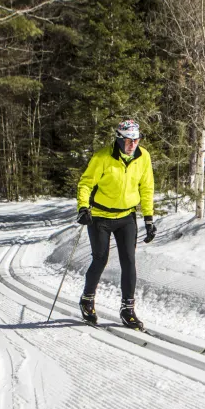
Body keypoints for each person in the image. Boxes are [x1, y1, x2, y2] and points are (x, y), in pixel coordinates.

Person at [76, 119, 157, 331]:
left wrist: (148, 219)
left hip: (126, 217)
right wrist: (83, 207)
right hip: (100, 217)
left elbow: (147, 188)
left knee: (129, 261)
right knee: (100, 259)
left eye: (136, 140)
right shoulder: (103, 156)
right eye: (129, 141)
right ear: (119, 139)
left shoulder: (143, 157)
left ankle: (127, 310)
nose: (133, 145)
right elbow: (86, 183)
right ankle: (87, 300)